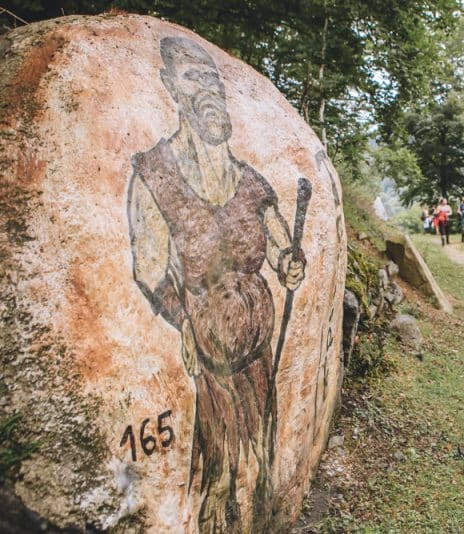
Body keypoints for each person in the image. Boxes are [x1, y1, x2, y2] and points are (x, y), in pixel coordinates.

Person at [127, 36, 306, 532]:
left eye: (211, 79)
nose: (206, 89)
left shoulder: (251, 183)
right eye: (192, 78)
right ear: (170, 87)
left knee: (258, 466)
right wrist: (183, 320)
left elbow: (279, 249)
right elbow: (148, 268)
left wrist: (291, 263)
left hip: (258, 358)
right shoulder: (155, 176)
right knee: (219, 480)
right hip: (211, 369)